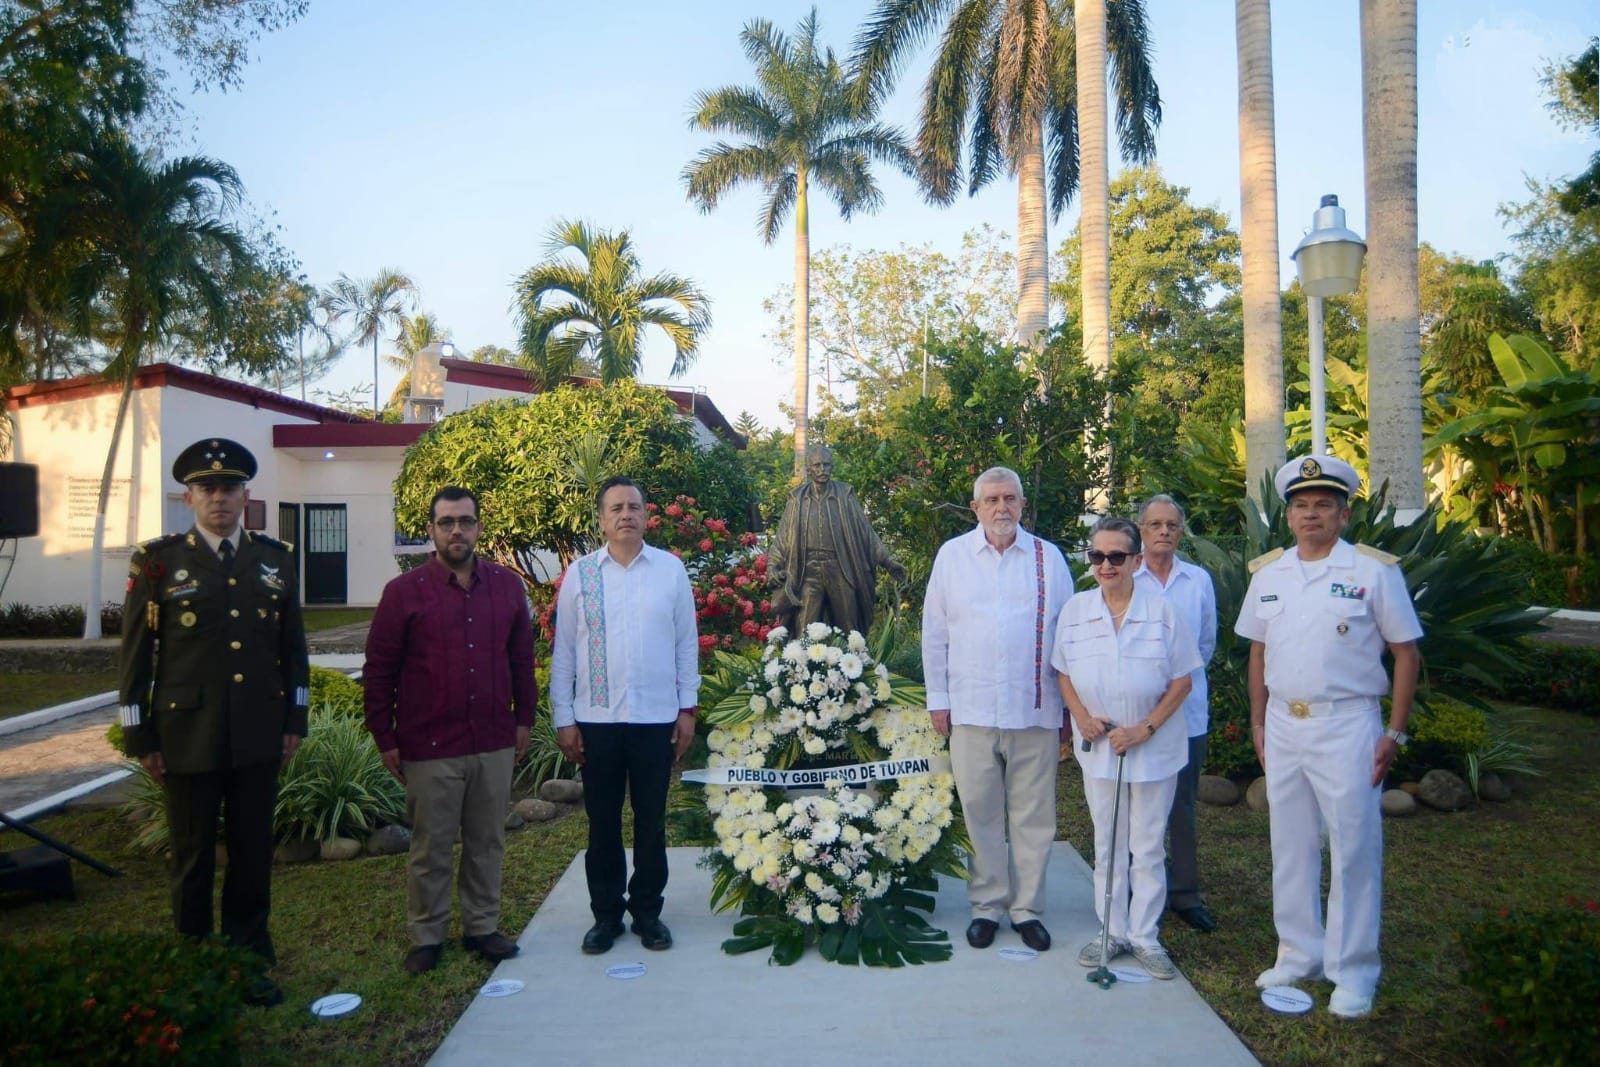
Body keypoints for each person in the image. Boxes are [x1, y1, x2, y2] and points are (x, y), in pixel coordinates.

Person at [118, 438, 308, 1007]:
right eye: (207, 488)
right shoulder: (158, 562)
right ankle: (195, 967)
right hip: (186, 737)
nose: (219, 499)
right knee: (193, 856)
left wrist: (294, 718)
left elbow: (292, 649)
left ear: (247, 495)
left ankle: (249, 964)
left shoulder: (274, 558)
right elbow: (135, 657)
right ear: (189, 496)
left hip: (257, 733)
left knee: (252, 855)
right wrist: (138, 734)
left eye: (229, 488)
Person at [1235, 456, 1421, 1019]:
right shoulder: (1269, 573)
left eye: (1322, 506)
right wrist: (1260, 723)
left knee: (1354, 849)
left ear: (1343, 515)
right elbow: (1258, 652)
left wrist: (1395, 730)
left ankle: (1353, 969)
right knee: (1289, 845)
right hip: (1286, 726)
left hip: (1347, 724)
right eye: (1300, 505)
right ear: (1287, 514)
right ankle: (1298, 954)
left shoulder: (1373, 571)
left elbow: (1406, 652)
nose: (1310, 514)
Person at [364, 486, 537, 975]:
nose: (456, 530)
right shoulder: (403, 593)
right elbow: (379, 669)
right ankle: (427, 935)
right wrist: (386, 736)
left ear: (480, 528)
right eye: (446, 522)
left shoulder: (506, 587)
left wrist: (525, 716)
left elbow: (521, 659)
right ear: (431, 531)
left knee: (487, 842)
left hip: (492, 739)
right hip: (429, 743)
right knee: (430, 847)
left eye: (465, 521)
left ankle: (482, 926)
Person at [922, 467, 1074, 952]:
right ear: (976, 508)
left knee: (1033, 817)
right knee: (981, 814)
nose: (1001, 507)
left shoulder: (1049, 559)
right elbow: (935, 633)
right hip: (971, 711)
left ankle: (1027, 909)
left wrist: (1072, 707)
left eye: (1010, 498)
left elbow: (1068, 638)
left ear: (1023, 505)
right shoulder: (953, 557)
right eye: (991, 499)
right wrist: (938, 701)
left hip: (1036, 711)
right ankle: (987, 906)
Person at [550, 477, 700, 955]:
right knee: (603, 823)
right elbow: (565, 652)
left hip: (656, 718)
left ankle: (649, 913)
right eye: (615, 508)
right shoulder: (581, 574)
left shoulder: (670, 571)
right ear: (601, 518)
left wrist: (687, 708)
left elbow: (686, 644)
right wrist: (564, 717)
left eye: (633, 507)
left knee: (652, 821)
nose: (625, 515)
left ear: (645, 514)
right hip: (597, 720)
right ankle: (606, 915)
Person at [1054, 516, 1200, 980]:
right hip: (1098, 748)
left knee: (1147, 844)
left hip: (1153, 748)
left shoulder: (1162, 613)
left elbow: (1183, 680)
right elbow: (1063, 672)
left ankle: (1144, 936)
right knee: (1108, 842)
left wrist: (1146, 728)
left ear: (1136, 560)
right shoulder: (1076, 610)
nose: (1106, 564)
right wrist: (1080, 716)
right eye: (1097, 556)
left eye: (1117, 556)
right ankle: (1111, 930)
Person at [1133, 494, 1219, 933]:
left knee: (1181, 807)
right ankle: (1137, 889)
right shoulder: (1127, 576)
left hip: (1186, 713)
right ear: (1141, 531)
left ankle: (1185, 894)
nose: (1164, 531)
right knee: (1136, 803)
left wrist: (1174, 682)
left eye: (1172, 525)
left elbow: (1205, 644)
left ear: (1181, 531)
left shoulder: (1198, 580)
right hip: (1137, 715)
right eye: (1155, 525)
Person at [768, 444, 905, 636]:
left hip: (840, 569)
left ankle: (857, 664)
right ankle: (800, 666)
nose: (822, 470)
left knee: (850, 629)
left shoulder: (844, 495)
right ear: (809, 467)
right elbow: (783, 538)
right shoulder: (797, 500)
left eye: (826, 465)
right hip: (808, 573)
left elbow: (866, 533)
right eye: (817, 465)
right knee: (805, 631)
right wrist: (773, 566)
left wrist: (888, 561)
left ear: (832, 466)